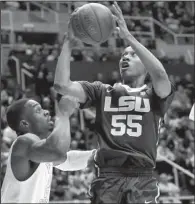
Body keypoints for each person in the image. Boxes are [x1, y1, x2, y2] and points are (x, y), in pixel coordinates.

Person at [54, 2, 175, 203]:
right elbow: (61, 85)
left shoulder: (155, 94)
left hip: (141, 176)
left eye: (133, 55)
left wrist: (128, 37)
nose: (125, 57)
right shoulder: (102, 91)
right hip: (108, 176)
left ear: (145, 63)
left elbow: (161, 75)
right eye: (123, 55)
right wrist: (68, 43)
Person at [1, 97, 96, 203]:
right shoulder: (23, 142)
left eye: (42, 108)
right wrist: (63, 115)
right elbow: (58, 152)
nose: (46, 112)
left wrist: (98, 155)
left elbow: (67, 160)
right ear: (25, 124)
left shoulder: (39, 150)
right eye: (38, 110)